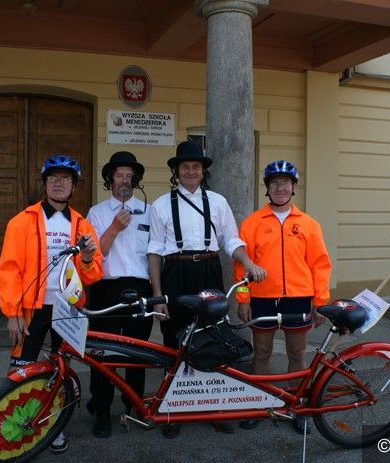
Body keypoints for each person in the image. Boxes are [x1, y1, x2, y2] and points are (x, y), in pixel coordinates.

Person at [147, 140, 266, 438]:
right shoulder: (161, 205)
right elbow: (155, 253)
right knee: (174, 340)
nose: (190, 171)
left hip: (209, 270)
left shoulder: (217, 202)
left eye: (195, 167)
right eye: (185, 167)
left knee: (213, 338)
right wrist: (158, 297)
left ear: (203, 171)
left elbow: (231, 240)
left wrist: (248, 262)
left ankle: (215, 407)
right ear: (176, 171)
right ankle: (172, 409)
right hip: (175, 273)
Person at [0, 154, 103, 453]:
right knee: (21, 370)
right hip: (32, 310)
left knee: (59, 371)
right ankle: (16, 426)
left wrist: (86, 258)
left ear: (73, 186)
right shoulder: (21, 221)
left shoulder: (82, 225)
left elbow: (93, 274)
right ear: (44, 184)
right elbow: (9, 269)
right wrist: (13, 312)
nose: (58, 183)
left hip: (67, 309)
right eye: (53, 178)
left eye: (65, 179)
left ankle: (54, 426)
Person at [234, 160, 331, 434]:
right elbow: (241, 268)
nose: (280, 188)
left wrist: (320, 302)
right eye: (274, 183)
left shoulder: (309, 225)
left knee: (297, 354)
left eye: (285, 183)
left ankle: (297, 407)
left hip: (298, 298)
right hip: (262, 298)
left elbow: (320, 265)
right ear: (267, 187)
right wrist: (243, 300)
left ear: (293, 187)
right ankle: (258, 405)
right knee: (262, 354)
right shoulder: (252, 223)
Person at [85, 151, 152, 438]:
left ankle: (133, 405)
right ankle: (102, 408)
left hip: (140, 288)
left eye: (129, 176)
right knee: (104, 353)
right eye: (119, 175)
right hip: (107, 289)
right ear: (110, 180)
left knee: (137, 352)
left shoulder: (148, 211)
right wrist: (114, 228)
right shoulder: (97, 213)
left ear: (135, 180)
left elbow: (154, 255)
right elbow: (93, 254)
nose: (124, 180)